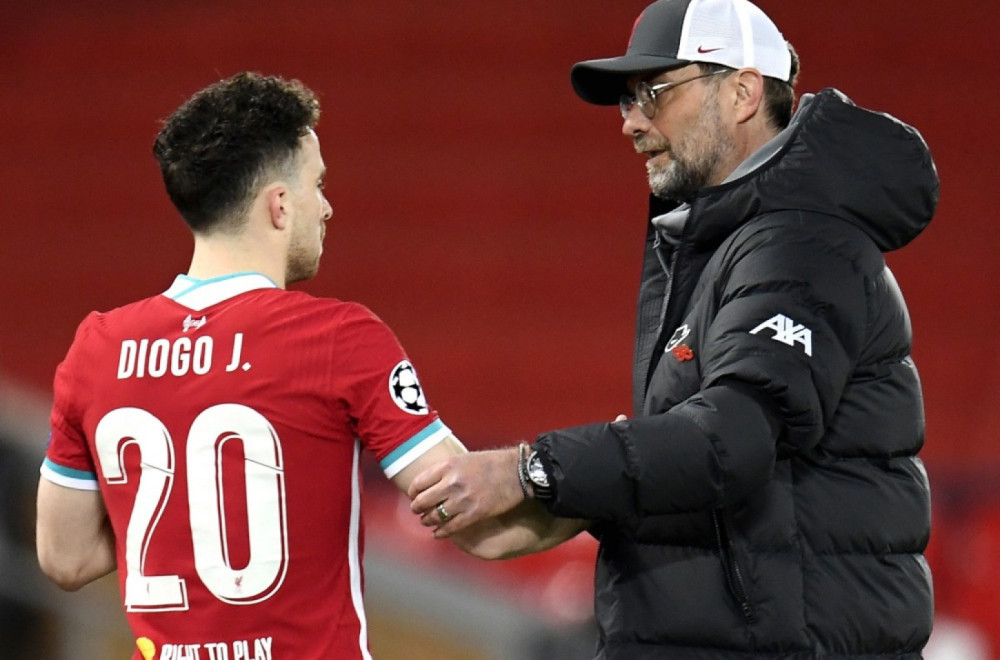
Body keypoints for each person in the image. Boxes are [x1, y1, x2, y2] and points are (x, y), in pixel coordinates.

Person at [408, 0, 939, 657]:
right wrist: (583, 499)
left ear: (742, 93)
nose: (631, 122)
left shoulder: (799, 244)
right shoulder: (739, 243)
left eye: (654, 92)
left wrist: (532, 470)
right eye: (626, 99)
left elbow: (731, 442)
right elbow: (725, 479)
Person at [35, 71, 473, 660]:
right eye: (318, 184)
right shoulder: (338, 338)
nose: (327, 207)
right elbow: (467, 504)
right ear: (280, 204)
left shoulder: (97, 348)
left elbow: (63, 557)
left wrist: (189, 508)